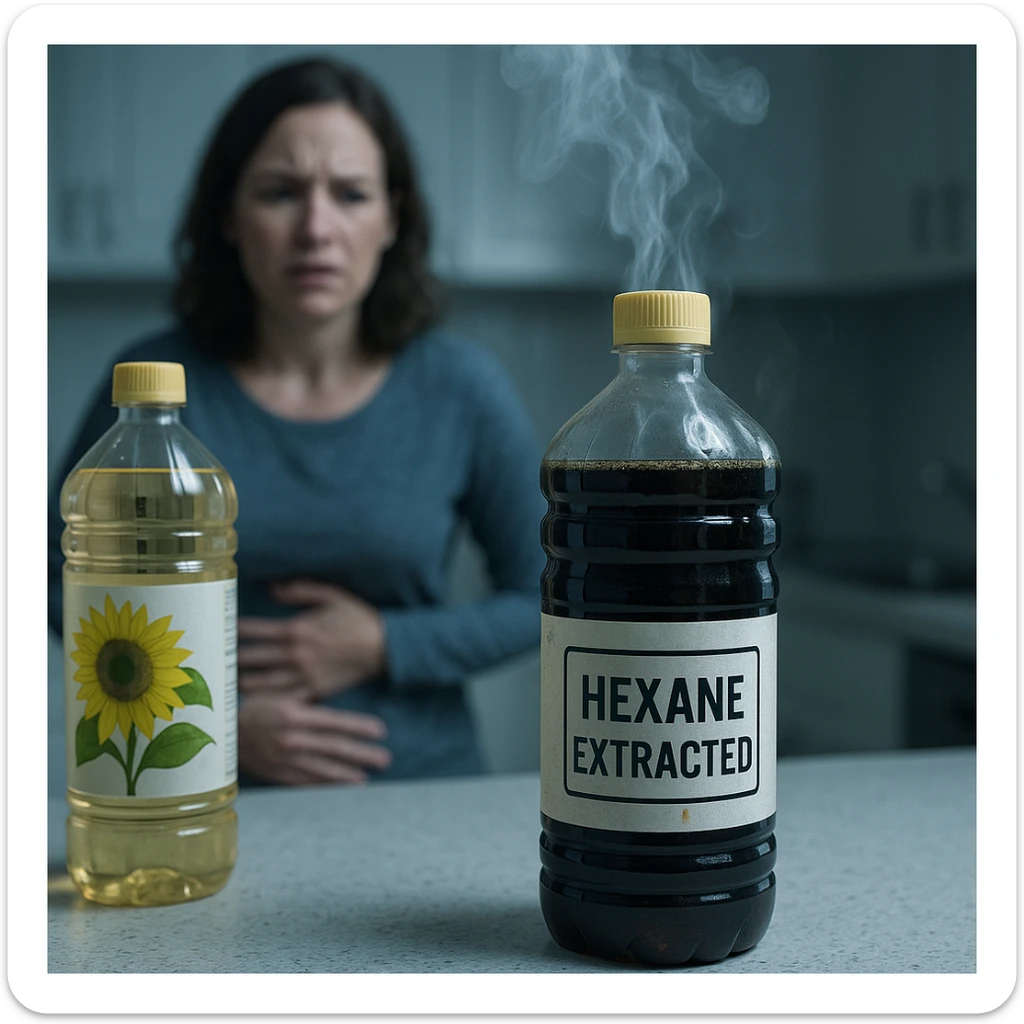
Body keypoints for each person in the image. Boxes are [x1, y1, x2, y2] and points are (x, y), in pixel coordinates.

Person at [48, 57, 546, 786]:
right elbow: (58, 583)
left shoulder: (461, 387)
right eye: (281, 193)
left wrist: (386, 642)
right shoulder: (154, 392)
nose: (316, 228)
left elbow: (552, 594)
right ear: (228, 216)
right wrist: (214, 722)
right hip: (199, 795)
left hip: (424, 798)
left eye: (350, 194)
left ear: (392, 220)